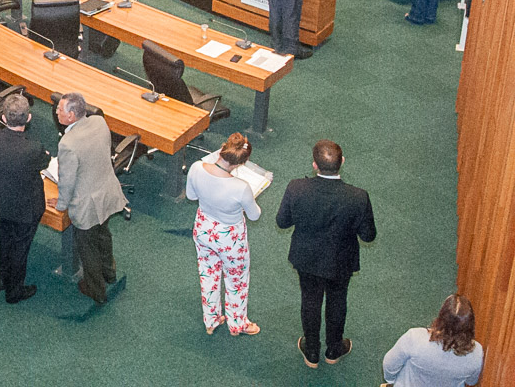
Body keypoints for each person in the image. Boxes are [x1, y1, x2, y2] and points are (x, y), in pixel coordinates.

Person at [277, 139, 377, 369]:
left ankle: (311, 350)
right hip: (341, 261)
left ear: (314, 165)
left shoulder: (296, 188)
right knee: (337, 300)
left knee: (310, 300)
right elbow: (368, 236)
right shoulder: (358, 197)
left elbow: (282, 222)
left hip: (307, 259)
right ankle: (334, 349)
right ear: (342, 162)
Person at [186, 133, 262, 336]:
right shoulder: (241, 187)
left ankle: (211, 320)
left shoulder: (196, 168)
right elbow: (254, 215)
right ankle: (237, 324)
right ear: (241, 163)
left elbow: (191, 196)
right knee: (236, 280)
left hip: (203, 228)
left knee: (208, 273)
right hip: (230, 238)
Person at [55, 92, 128, 304]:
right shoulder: (99, 121)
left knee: (87, 248)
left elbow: (67, 181)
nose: (57, 112)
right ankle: (109, 273)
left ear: (70, 116)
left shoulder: (68, 143)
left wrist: (61, 205)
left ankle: (95, 290)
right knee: (104, 235)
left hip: (86, 203)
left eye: (60, 109)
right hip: (106, 192)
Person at [0, 94, 49, 304]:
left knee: (4, 235)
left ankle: (2, 277)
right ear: (28, 118)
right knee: (20, 246)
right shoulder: (34, 148)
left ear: (3, 118)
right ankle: (14, 290)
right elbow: (44, 161)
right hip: (25, 207)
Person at [382, 294, 484, 387]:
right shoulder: (477, 353)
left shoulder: (414, 338)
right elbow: (471, 381)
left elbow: (389, 365)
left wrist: (391, 381)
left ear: (442, 318)